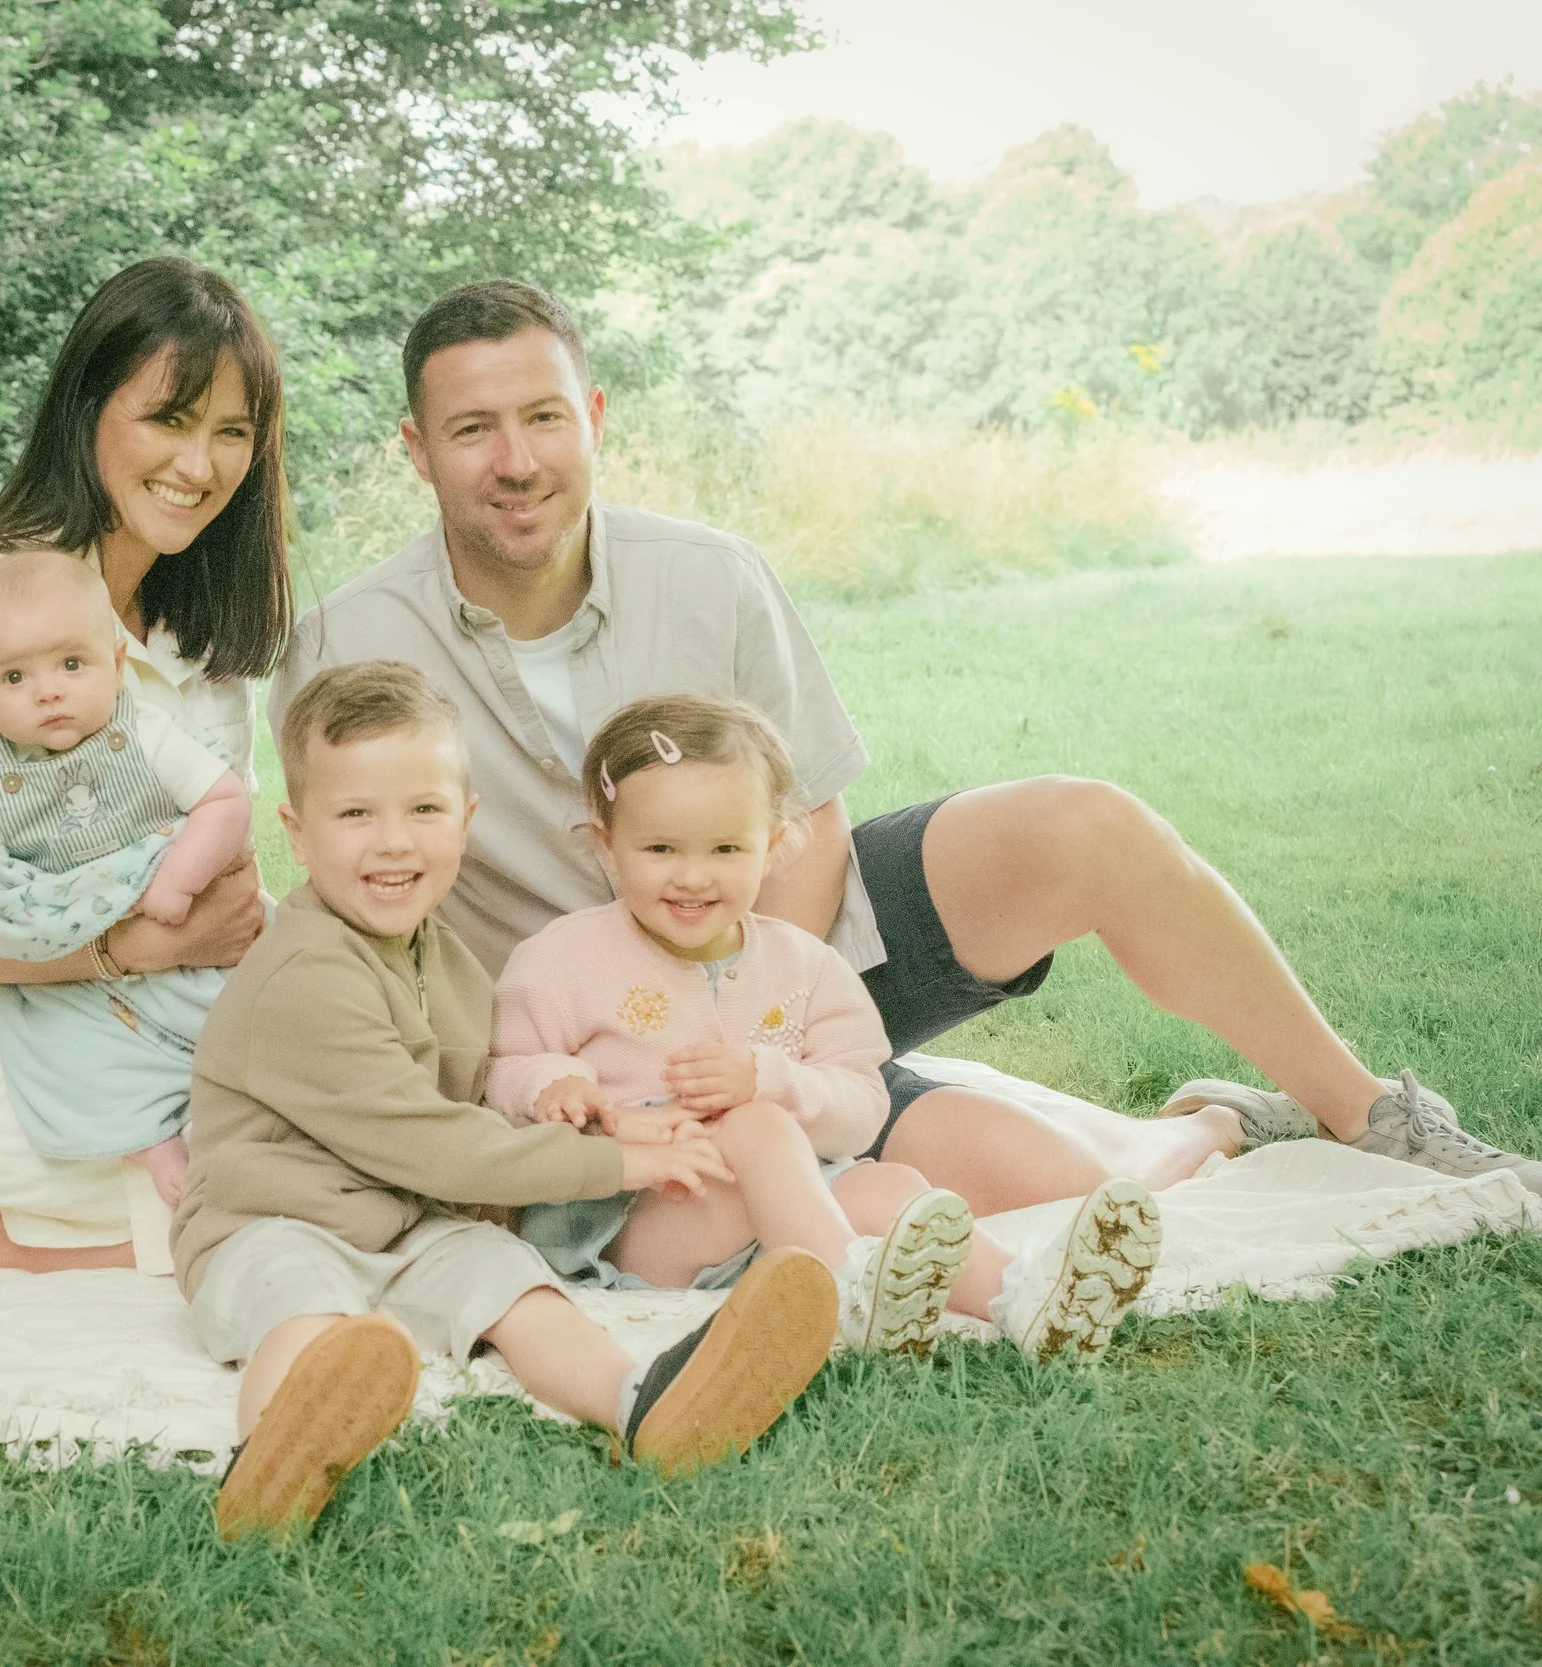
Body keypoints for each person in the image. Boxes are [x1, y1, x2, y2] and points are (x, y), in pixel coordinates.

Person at [274, 277, 1542, 1214]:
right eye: (471, 429)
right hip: (593, 1034)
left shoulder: (712, 576)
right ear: (414, 449)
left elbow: (812, 814)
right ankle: (1186, 1132)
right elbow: (349, 894)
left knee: (1082, 821)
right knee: (1026, 1182)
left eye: (543, 416)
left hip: (791, 950)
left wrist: (788, 1017)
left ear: (594, 414)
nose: (515, 461)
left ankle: (1364, 1108)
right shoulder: (344, 640)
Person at [173, 662, 837, 1540]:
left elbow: (476, 1108)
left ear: (466, 820)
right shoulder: (305, 972)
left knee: (515, 1284)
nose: (394, 842)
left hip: (405, 1224)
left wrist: (603, 1110)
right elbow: (437, 1145)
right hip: (270, 1225)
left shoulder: (438, 956)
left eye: (423, 809)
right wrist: (619, 1160)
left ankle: (645, 1403)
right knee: (308, 1307)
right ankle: (270, 1458)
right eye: (355, 814)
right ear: (296, 831)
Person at [0, 257, 287, 1269]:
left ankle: (36, 1227)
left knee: (348, 1111)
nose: (199, 465)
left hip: (149, 1008)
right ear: (86, 411)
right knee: (284, 1197)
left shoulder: (195, 636)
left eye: (230, 432)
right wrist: (129, 952)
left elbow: (218, 873)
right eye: (169, 418)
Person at [489, 692, 1163, 1363]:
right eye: (661, 847)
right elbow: (504, 1070)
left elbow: (862, 1109)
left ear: (773, 845)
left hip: (782, 1207)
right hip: (640, 1215)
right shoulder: (564, 959)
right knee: (758, 1126)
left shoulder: (804, 966)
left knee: (891, 1186)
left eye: (726, 848)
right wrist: (559, 1084)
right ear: (607, 844)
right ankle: (845, 1295)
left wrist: (772, 1078)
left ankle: (1021, 1299)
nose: (692, 876)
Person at [0, 550, 253, 1206]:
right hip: (62, 943)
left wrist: (178, 880)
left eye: (72, 664)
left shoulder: (144, 731)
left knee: (247, 1014)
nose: (47, 690)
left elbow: (225, 801)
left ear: (116, 663)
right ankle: (146, 1135)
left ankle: (247, 1117)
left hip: (164, 907)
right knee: (68, 1051)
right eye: (16, 675)